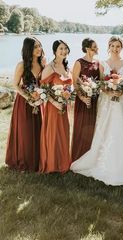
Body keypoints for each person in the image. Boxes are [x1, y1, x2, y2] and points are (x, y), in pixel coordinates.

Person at [70, 36, 123, 185]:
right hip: (107, 101)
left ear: (121, 48)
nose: (115, 49)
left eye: (118, 46)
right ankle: (103, 162)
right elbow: (102, 83)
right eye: (113, 46)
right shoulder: (103, 63)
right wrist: (110, 92)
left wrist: (121, 91)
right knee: (106, 129)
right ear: (109, 47)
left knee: (122, 129)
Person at [5, 37, 44, 171]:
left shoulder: (42, 64)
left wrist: (40, 96)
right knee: (25, 132)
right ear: (29, 49)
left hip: (39, 102)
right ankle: (23, 161)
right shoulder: (21, 65)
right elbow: (15, 85)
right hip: (24, 102)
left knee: (38, 130)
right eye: (35, 47)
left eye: (39, 46)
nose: (39, 49)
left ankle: (37, 160)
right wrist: (28, 97)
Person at [39, 40, 72, 173]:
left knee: (64, 133)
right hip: (53, 107)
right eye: (60, 49)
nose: (63, 51)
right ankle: (52, 164)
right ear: (55, 51)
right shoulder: (49, 68)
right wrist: (55, 103)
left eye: (65, 48)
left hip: (65, 106)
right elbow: (43, 90)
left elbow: (70, 86)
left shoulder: (66, 67)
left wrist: (68, 96)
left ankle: (63, 161)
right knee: (53, 134)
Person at [71, 38, 102, 161]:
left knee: (93, 126)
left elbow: (99, 82)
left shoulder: (98, 63)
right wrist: (82, 97)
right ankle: (78, 156)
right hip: (82, 100)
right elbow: (75, 82)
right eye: (95, 46)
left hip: (94, 100)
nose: (97, 48)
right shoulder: (79, 62)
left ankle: (90, 157)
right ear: (88, 48)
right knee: (81, 126)